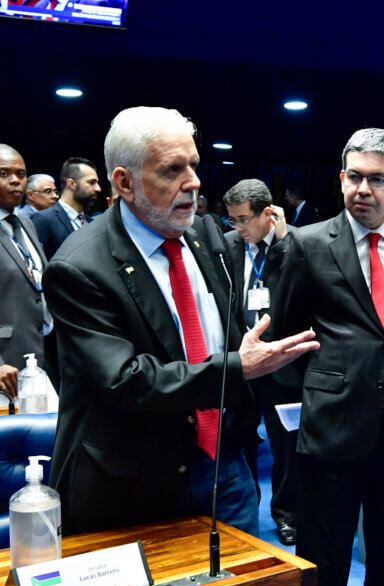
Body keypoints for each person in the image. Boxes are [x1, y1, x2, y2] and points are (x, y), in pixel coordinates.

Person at [44, 107, 319, 536]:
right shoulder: (79, 267)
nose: (192, 181)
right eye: (172, 170)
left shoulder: (203, 234)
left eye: (193, 164)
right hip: (134, 479)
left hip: (225, 465)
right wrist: (238, 367)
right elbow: (124, 380)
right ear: (124, 182)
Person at [273, 128, 384, 586]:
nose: (362, 189)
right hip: (332, 429)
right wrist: (327, 384)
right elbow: (286, 335)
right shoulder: (306, 244)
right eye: (353, 177)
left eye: (376, 180)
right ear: (341, 178)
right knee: (323, 561)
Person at [221, 178, 301, 546]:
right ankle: (247, 505)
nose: (237, 228)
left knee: (286, 444)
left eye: (243, 220)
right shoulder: (227, 247)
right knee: (241, 439)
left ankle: (286, 514)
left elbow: (302, 292)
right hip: (240, 361)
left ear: (269, 213)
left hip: (283, 363)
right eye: (232, 220)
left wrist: (284, 246)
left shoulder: (296, 244)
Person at [0, 144, 51, 400]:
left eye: (21, 174)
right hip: (5, 363)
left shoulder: (26, 223)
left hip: (41, 352)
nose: (15, 181)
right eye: (4, 174)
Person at [31, 157, 102, 259]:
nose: (98, 188)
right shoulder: (43, 220)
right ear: (72, 184)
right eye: (91, 182)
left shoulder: (92, 223)